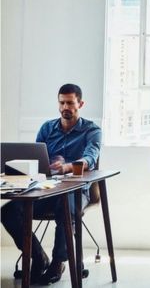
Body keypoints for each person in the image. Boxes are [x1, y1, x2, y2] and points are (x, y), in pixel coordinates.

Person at [1, 83, 101, 284]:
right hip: (46, 189)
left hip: (76, 190)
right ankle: (38, 257)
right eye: (62, 102)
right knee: (8, 212)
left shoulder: (92, 130)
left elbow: (90, 158)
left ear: (80, 104)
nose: (66, 107)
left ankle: (58, 262)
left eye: (70, 103)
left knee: (65, 209)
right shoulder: (47, 128)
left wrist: (68, 167)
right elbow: (36, 159)